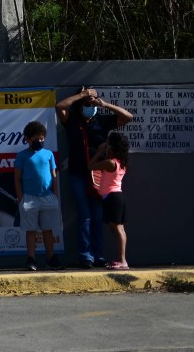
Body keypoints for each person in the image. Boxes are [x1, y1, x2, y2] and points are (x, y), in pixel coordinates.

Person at [56, 86, 133, 267]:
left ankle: (98, 255)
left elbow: (128, 117)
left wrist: (104, 104)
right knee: (84, 215)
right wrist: (82, 95)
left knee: (98, 215)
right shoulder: (72, 119)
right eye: (86, 102)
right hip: (77, 172)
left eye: (92, 101)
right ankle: (86, 255)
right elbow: (59, 107)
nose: (89, 104)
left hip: (99, 174)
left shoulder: (102, 120)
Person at [13, 120, 63, 271]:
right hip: (29, 198)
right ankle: (31, 258)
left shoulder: (49, 154)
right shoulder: (21, 156)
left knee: (48, 230)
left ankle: (50, 257)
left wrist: (55, 194)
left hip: (48, 197)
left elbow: (54, 175)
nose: (39, 141)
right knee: (31, 230)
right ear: (28, 139)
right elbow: (17, 178)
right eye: (36, 139)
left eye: (42, 138)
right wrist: (20, 197)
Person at [89, 130, 130, 269]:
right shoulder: (121, 162)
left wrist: (99, 152)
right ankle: (121, 260)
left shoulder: (110, 163)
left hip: (112, 198)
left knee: (117, 229)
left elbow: (91, 166)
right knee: (119, 229)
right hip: (117, 197)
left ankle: (122, 260)